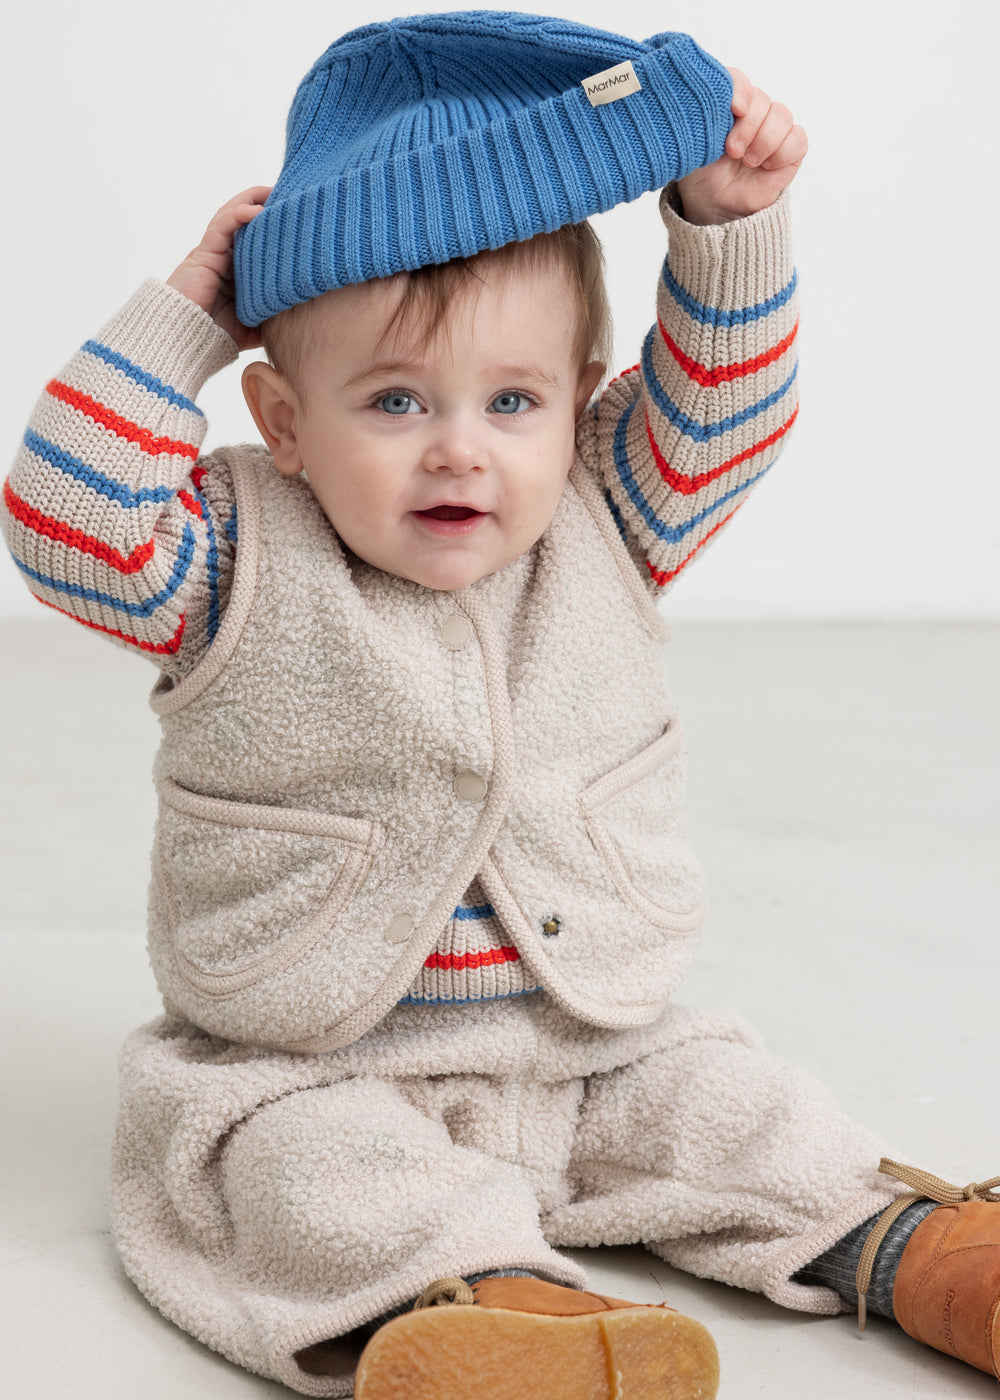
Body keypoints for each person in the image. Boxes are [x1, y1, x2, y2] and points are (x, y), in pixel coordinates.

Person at [3, 12, 997, 1399]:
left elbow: (731, 404)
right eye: (395, 401)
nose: (461, 447)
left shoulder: (609, 505)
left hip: (591, 1045)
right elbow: (62, 513)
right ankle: (502, 1316)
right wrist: (184, 315)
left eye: (514, 399)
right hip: (314, 1060)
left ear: (582, 399)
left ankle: (925, 1251)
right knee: (303, 1174)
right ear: (285, 424)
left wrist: (724, 228)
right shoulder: (230, 553)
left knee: (743, 1115)